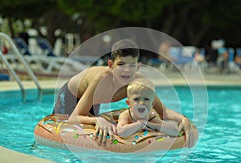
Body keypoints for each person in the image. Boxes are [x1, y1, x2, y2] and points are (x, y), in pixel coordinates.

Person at [53, 39, 192, 145]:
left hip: (94, 101)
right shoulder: (100, 81)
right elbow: (74, 118)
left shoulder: (139, 84)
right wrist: (98, 119)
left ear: (138, 67)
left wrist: (184, 119)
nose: (126, 70)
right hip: (72, 94)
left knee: (93, 137)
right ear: (110, 65)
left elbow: (163, 112)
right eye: (121, 64)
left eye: (132, 65)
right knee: (63, 136)